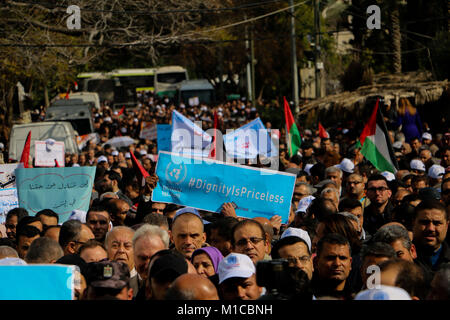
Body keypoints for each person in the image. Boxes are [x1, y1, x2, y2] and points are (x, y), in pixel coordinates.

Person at [412, 199, 450, 282]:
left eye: (437, 223)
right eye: (424, 222)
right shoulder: (402, 257)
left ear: (446, 226)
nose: (430, 229)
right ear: (413, 223)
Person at [311, 233, 353, 300]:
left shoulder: (360, 295)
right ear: (316, 262)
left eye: (342, 258)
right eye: (330, 258)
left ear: (350, 263)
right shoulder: (304, 295)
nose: (337, 263)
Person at [132, 224, 169, 297]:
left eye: (154, 258)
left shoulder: (176, 289)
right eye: (143, 258)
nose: (148, 265)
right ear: (134, 256)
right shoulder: (125, 287)